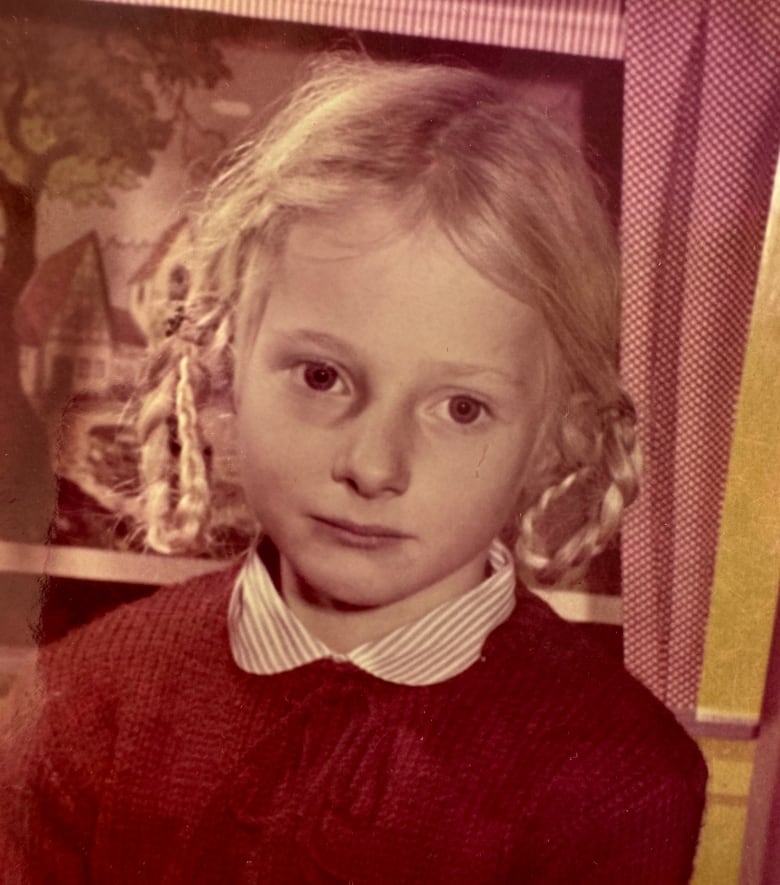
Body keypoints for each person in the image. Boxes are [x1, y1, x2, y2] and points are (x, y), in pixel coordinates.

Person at [0, 55, 707, 883]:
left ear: (557, 435)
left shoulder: (617, 776)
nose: (374, 466)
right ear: (227, 358)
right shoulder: (82, 701)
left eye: (461, 408)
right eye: (322, 377)